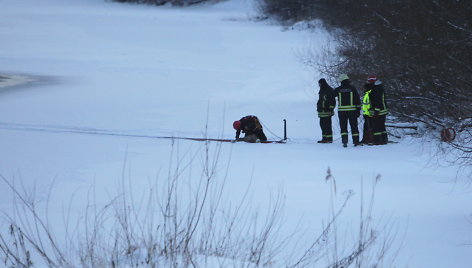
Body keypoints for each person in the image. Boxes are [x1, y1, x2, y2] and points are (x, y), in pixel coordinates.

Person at [334, 74, 361, 147]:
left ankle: (344, 141)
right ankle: (356, 141)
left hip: (342, 112)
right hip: (352, 111)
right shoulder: (353, 89)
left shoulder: (338, 89)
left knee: (343, 127)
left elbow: (331, 95)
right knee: (354, 127)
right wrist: (358, 110)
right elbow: (357, 100)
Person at [370, 76, 389, 145]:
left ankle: (377, 140)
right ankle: (384, 139)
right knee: (381, 125)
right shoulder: (380, 87)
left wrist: (376, 110)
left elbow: (377, 100)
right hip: (383, 110)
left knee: (376, 126)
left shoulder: (376, 89)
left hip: (379, 111)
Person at [316, 78, 336, 143]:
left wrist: (330, 109)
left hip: (327, 111)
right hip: (322, 111)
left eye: (319, 83)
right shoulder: (322, 90)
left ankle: (329, 138)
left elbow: (332, 101)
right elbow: (321, 100)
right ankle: (324, 138)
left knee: (327, 125)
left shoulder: (329, 90)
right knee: (322, 125)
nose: (319, 85)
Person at [360, 75, 375, 144]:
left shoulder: (371, 92)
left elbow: (372, 103)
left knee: (370, 127)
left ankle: (370, 139)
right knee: (367, 127)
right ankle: (366, 139)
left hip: (370, 113)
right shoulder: (367, 93)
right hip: (367, 113)